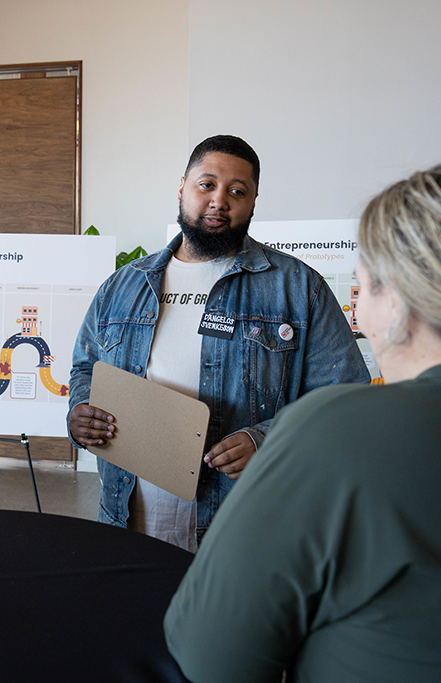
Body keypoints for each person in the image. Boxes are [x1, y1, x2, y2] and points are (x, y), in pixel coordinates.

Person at [164, 158, 441, 682]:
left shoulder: (333, 431)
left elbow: (211, 656)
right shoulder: (130, 283)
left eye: (361, 288)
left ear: (398, 302)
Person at [68, 135, 369, 551]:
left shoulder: (297, 288)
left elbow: (345, 397)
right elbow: (86, 367)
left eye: (237, 191)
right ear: (182, 188)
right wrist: (80, 412)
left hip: (244, 531)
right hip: (127, 518)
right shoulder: (124, 285)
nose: (219, 201)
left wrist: (266, 441)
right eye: (206, 185)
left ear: (253, 202)